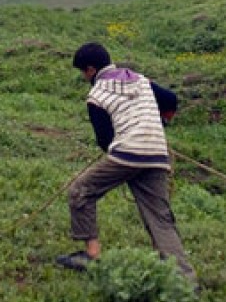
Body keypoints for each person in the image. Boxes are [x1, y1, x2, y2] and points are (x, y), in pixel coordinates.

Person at [55, 42, 196, 283]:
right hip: (157, 152)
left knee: (80, 191)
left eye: (83, 72)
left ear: (91, 70)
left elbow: (104, 140)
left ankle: (92, 255)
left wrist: (118, 149)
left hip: (128, 154)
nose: (84, 77)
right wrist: (160, 123)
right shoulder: (140, 80)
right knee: (160, 217)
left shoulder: (97, 95)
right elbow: (170, 99)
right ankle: (183, 279)